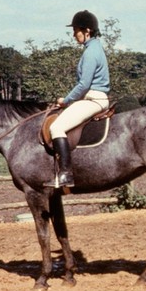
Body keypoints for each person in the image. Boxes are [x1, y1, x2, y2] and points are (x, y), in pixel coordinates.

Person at [45, 10, 110, 188]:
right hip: (92, 98)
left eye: (76, 30)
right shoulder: (94, 48)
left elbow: (83, 85)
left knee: (56, 127)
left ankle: (66, 174)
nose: (74, 34)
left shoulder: (90, 53)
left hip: (94, 99)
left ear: (87, 30)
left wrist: (65, 100)